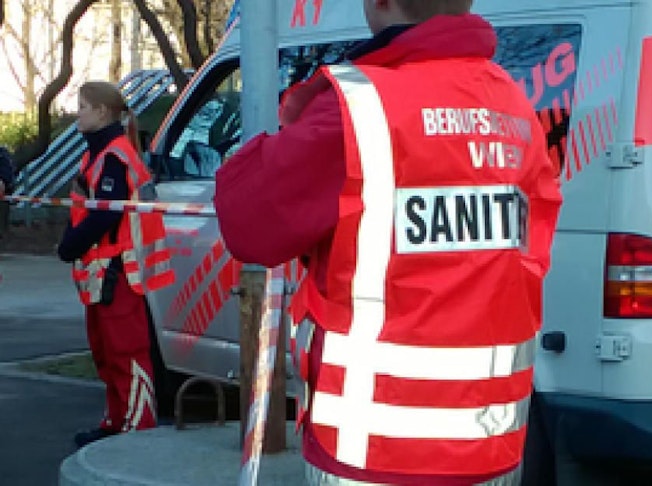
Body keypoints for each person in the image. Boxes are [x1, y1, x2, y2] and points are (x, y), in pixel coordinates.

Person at [214, 0, 563, 484]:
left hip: (373, 450)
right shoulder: (512, 104)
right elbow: (532, 249)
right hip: (491, 444)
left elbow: (247, 222)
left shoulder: (362, 107)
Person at [57, 81, 174, 448]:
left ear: (102, 112)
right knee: (106, 352)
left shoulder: (114, 156)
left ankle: (138, 427)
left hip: (119, 271)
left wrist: (70, 245)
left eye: (82, 106)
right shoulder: (96, 155)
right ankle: (117, 420)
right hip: (101, 271)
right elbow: (86, 208)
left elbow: (105, 215)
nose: (78, 113)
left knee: (127, 351)